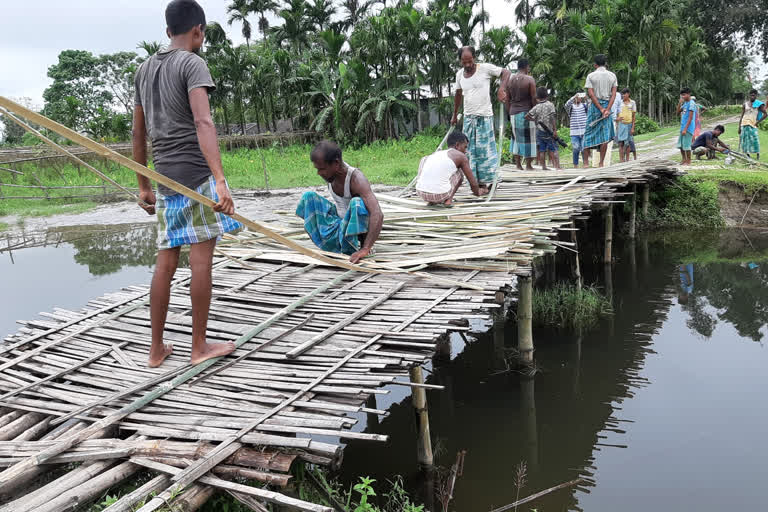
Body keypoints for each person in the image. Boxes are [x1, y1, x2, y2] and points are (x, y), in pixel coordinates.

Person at [132, 0, 240, 368]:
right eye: (203, 35)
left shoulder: (144, 69)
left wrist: (143, 184)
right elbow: (203, 123)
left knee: (164, 264)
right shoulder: (193, 63)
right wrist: (221, 182)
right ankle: (198, 348)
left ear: (167, 32)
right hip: (195, 178)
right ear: (198, 31)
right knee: (200, 264)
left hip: (163, 180)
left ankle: (156, 349)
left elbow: (138, 132)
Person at [296, 141, 383, 264]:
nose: (319, 173)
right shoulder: (330, 175)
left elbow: (377, 213)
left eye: (322, 169)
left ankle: (357, 247)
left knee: (357, 203)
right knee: (308, 197)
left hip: (356, 229)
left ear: (336, 163)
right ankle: (328, 244)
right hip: (340, 223)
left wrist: (366, 248)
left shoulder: (356, 179)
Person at [451, 46, 511, 182]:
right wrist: (455, 114)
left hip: (484, 117)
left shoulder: (484, 68)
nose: (467, 65)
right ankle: (473, 181)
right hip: (468, 118)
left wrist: (502, 89)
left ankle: (489, 181)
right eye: (464, 62)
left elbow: (506, 72)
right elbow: (458, 94)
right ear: (460, 61)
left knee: (485, 152)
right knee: (469, 151)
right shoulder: (459, 74)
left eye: (469, 61)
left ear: (474, 58)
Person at [415, 131, 489, 206]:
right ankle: (448, 200)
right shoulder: (461, 156)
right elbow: (472, 183)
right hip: (440, 195)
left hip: (420, 193)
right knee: (459, 173)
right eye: (465, 147)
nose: (466, 151)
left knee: (424, 160)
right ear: (457, 145)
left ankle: (431, 201)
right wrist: (478, 191)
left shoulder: (436, 154)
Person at [583, 54, 618, 167]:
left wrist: (600, 108)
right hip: (607, 107)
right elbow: (613, 95)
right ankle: (601, 163)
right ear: (605, 64)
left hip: (595, 107)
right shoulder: (612, 76)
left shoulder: (591, 76)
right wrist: (606, 109)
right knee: (605, 136)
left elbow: (591, 94)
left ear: (595, 65)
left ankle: (586, 163)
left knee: (588, 134)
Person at [505, 59, 537, 170]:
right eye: (529, 67)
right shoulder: (529, 79)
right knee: (529, 138)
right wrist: (534, 112)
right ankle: (528, 165)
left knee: (515, 138)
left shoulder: (510, 80)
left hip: (513, 111)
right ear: (526, 67)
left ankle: (518, 164)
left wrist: (509, 112)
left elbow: (507, 99)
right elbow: (533, 97)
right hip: (526, 112)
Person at [525, 87, 561, 170]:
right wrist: (555, 130)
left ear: (538, 97)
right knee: (554, 148)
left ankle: (543, 167)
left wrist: (534, 120)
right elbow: (552, 117)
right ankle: (557, 166)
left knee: (542, 150)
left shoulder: (537, 107)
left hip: (539, 131)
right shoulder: (550, 105)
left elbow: (526, 116)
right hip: (549, 131)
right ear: (547, 95)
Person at [738, 89, 767, 160]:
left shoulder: (759, 104)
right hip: (744, 124)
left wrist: (757, 122)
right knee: (745, 140)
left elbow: (765, 114)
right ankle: (747, 154)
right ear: (749, 95)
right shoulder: (745, 104)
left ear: (756, 96)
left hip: (752, 124)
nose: (752, 96)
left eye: (754, 95)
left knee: (755, 139)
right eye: (751, 95)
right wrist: (739, 126)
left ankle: (757, 154)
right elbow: (742, 116)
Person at [564, 92, 588, 167]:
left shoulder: (584, 106)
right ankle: (575, 165)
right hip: (574, 133)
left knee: (584, 148)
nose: (578, 98)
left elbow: (591, 104)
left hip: (584, 131)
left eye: (579, 97)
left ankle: (585, 164)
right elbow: (566, 105)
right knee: (576, 148)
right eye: (577, 97)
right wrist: (573, 96)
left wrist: (586, 98)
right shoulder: (571, 108)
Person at [676, 88, 697, 165]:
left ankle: (688, 161)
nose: (683, 97)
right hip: (682, 127)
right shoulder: (685, 103)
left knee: (687, 145)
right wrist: (679, 103)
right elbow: (678, 113)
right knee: (681, 145)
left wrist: (685, 129)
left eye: (684, 95)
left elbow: (690, 118)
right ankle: (684, 159)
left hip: (688, 128)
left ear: (689, 94)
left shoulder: (691, 103)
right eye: (682, 95)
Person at [616, 88, 637, 162]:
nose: (623, 95)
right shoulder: (619, 103)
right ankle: (621, 160)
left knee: (628, 143)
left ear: (628, 94)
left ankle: (627, 160)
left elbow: (634, 116)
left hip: (629, 124)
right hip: (621, 124)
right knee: (620, 143)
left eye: (624, 94)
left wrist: (632, 127)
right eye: (622, 94)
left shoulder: (632, 102)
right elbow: (615, 114)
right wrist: (617, 119)